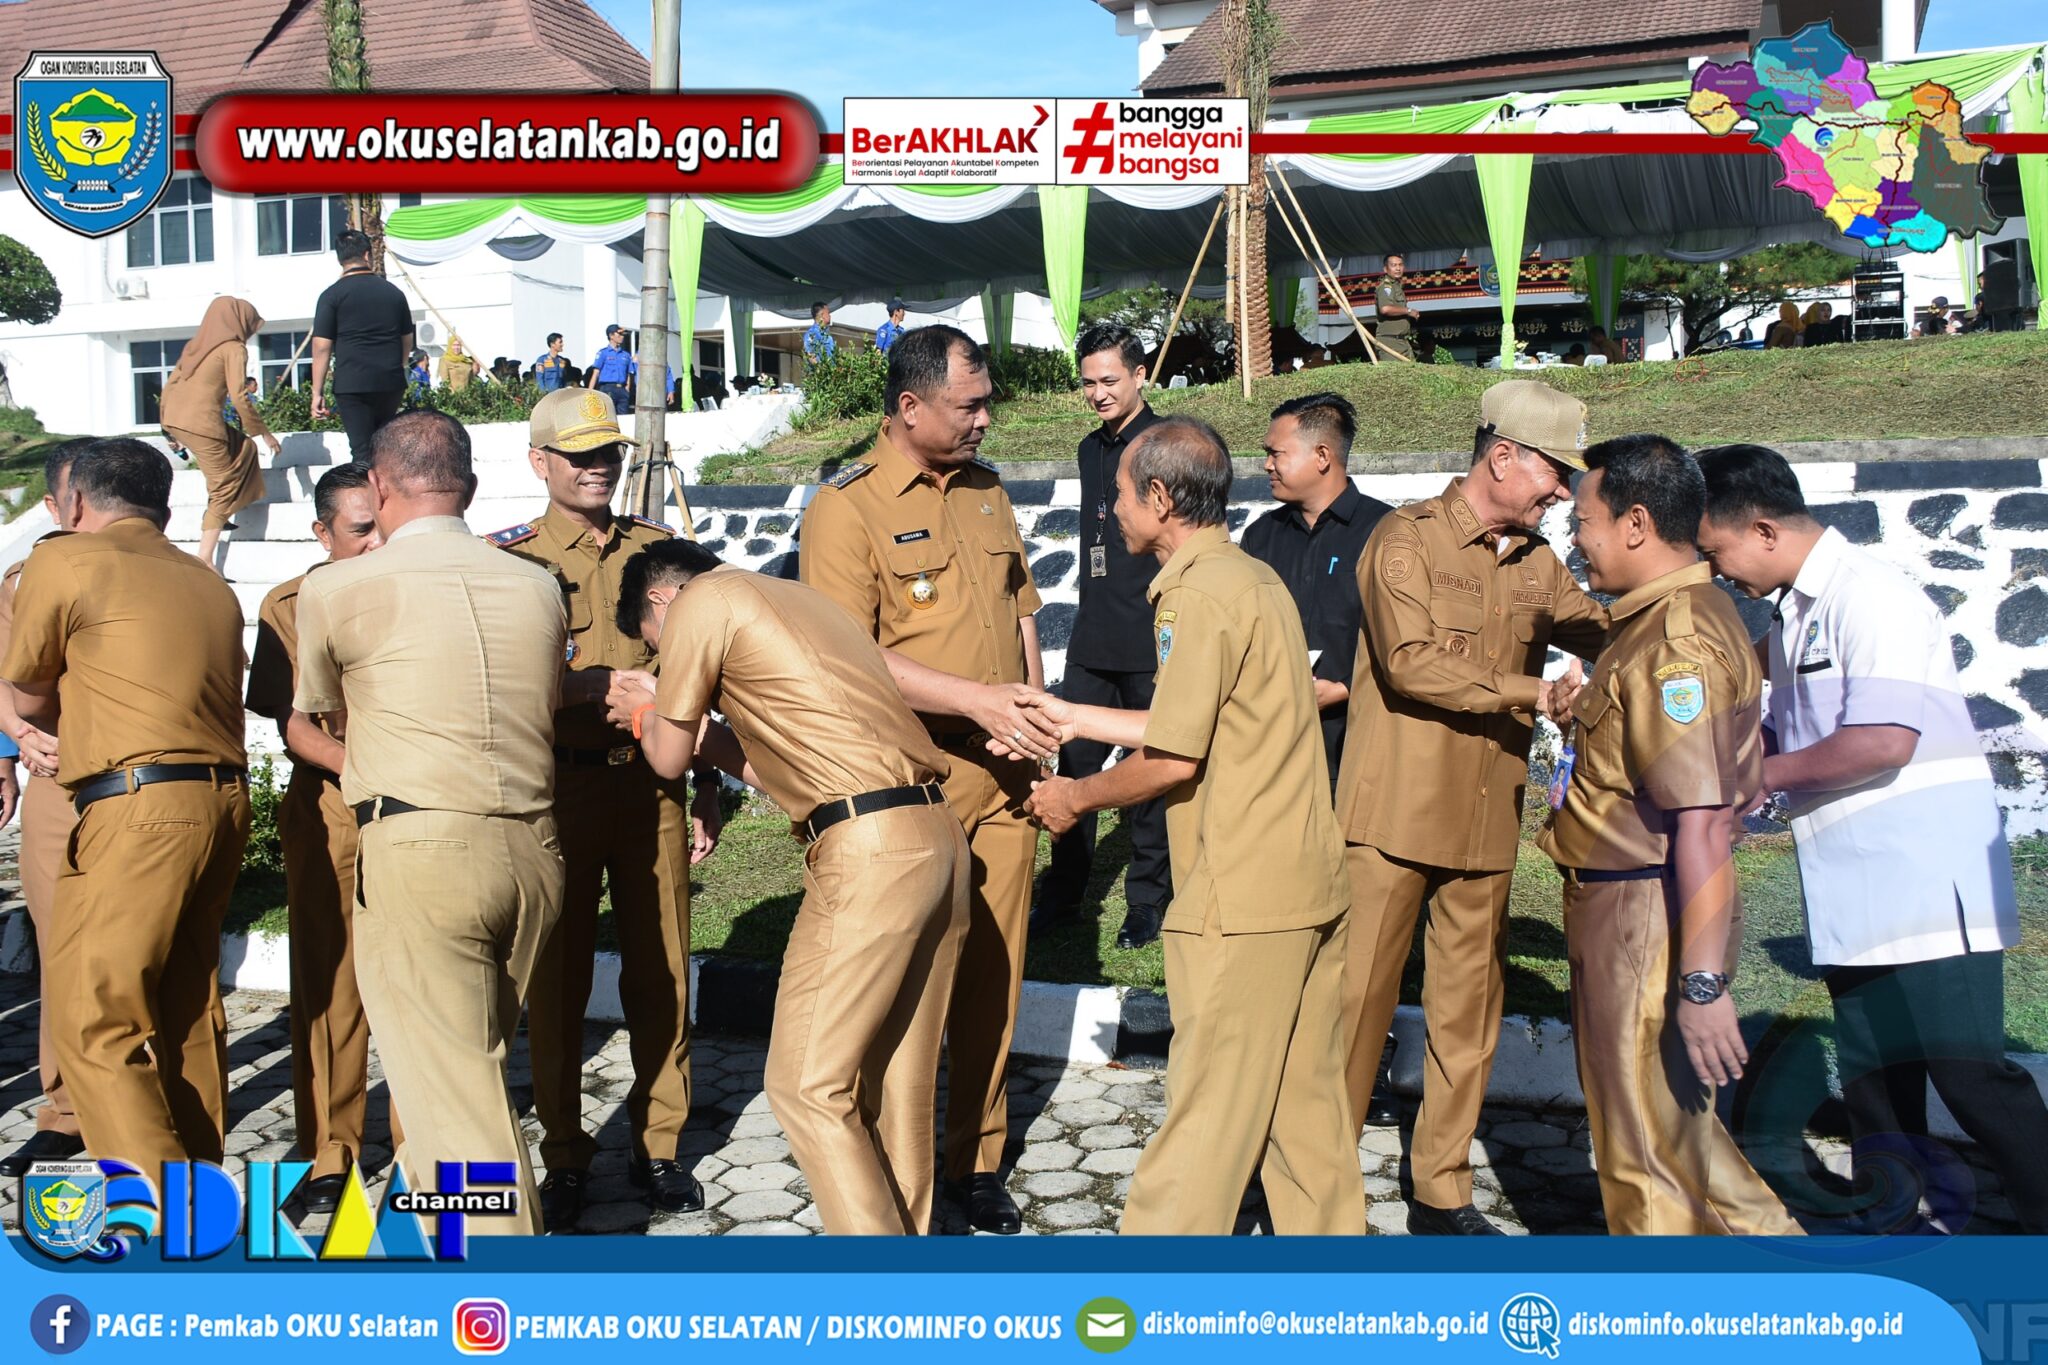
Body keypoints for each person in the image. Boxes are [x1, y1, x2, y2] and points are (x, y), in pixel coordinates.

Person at [1021, 417, 1365, 1236]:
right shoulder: (1251, 577)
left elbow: (1174, 758)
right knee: (1306, 1120)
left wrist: (1074, 799)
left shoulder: (1193, 594)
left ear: (1160, 497)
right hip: (1307, 884)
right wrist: (1073, 715)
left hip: (1241, 897)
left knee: (1208, 1116)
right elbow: (1203, 720)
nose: (1111, 510)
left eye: (1119, 495)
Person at [1695, 443, 2048, 1236]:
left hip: (1926, 883)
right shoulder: (1795, 609)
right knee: (1874, 1079)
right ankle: (1891, 1230)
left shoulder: (1871, 596)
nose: (1718, 573)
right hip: (1856, 885)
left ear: (1762, 529)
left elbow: (1883, 740)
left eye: (1716, 553)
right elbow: (1761, 699)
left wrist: (1758, 777)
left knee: (1971, 1080)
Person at [608, 541, 968, 1234]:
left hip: (868, 849)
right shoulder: (799, 599)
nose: (667, 657)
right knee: (899, 1083)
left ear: (660, 601)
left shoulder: (699, 602)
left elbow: (668, 757)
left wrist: (643, 708)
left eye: (657, 644)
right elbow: (780, 775)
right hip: (934, 832)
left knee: (805, 1085)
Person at [799, 324, 1060, 1235]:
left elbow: (1021, 611)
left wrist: (1033, 717)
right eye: (969, 405)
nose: (986, 419)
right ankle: (889, 1161)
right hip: (913, 782)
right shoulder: (846, 508)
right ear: (909, 407)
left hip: (1005, 773)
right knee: (909, 992)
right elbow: (846, 655)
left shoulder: (987, 491)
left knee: (995, 976)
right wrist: (977, 700)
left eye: (987, 403)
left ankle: (976, 1158)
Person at [1334, 380, 1609, 1235]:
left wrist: (1674, 611)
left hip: (1486, 822)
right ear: (1504, 457)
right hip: (1391, 819)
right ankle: (1313, 1178)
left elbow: (1601, 628)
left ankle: (1441, 1190)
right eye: (1555, 470)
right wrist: (1537, 692)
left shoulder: (1539, 562)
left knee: (1468, 1019)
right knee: (1353, 1008)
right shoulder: (1405, 540)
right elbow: (1412, 662)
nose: (1562, 490)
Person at [293, 411, 566, 1235]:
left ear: (378, 486)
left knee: (455, 1100)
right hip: (533, 845)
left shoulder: (335, 587)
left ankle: (505, 1286)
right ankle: (429, 1247)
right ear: (470, 487)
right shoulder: (536, 583)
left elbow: (318, 706)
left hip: (421, 849)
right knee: (458, 1077)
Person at [1537, 435, 1801, 1236]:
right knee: (1687, 1147)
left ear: (1636, 523)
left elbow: (1703, 822)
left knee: (1644, 1158)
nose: (1575, 538)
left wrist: (1701, 986)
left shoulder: (1673, 641)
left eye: (1583, 521)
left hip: (1642, 912)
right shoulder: (1663, 619)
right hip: (1636, 901)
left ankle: (1663, 1299)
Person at [487, 388, 719, 1230]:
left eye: (608, 453)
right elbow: (494, 686)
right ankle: (564, 1151)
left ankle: (659, 1146)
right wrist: (581, 686)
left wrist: (710, 784)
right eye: (579, 454)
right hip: (557, 791)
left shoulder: (660, 552)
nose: (597, 468)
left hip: (652, 788)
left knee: (662, 971)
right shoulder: (507, 563)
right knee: (557, 982)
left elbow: (707, 671)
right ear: (538, 461)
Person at [2, 438, 250, 1174]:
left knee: (93, 1019)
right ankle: (200, 1177)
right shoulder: (206, 580)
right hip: (220, 800)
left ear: (75, 501)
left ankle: (172, 1210)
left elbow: (28, 694)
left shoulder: (65, 560)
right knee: (186, 1007)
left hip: (137, 805)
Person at [1241, 392, 1396, 1122]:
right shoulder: (1260, 538)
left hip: (1352, 751)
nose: (1267, 464)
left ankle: (1354, 1066)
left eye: (1277, 452)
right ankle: (1277, 1057)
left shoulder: (1385, 534)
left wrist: (1337, 685)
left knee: (1352, 918)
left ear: (1323, 455)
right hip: (1271, 754)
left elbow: (1396, 648)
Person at [245, 464, 394, 1214]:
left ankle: (424, 1149)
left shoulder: (416, 585)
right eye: (359, 530)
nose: (376, 543)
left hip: (420, 806)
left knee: (418, 979)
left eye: (383, 526)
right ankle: (330, 1150)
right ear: (322, 533)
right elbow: (291, 723)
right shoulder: (288, 604)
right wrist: (365, 769)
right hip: (331, 803)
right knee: (329, 981)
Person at [1033, 323, 1172, 948]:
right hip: (1092, 637)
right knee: (1075, 765)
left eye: (1110, 380)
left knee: (1149, 774)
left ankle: (1147, 900)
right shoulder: (1089, 449)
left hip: (1148, 635)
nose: (1098, 393)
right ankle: (1063, 894)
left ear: (1140, 375)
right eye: (1088, 382)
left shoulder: (1168, 445)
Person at [0, 439, 89, 1179]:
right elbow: (6, 675)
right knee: (59, 945)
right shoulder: (23, 580)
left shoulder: (170, 576)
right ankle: (65, 1109)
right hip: (60, 777)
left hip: (152, 781)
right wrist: (12, 748)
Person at [159, 297, 282, 575]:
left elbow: (169, 387)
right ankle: (204, 557)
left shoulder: (196, 346)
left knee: (244, 448)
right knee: (223, 486)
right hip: (202, 424)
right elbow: (239, 396)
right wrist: (264, 433)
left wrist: (167, 427)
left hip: (177, 419)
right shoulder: (233, 348)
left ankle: (222, 512)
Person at [309, 230, 414, 462]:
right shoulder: (393, 293)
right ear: (367, 255)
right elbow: (406, 338)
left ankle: (366, 485)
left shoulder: (331, 296)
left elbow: (322, 347)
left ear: (340, 259)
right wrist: (399, 366)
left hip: (352, 383)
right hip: (389, 381)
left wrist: (317, 392)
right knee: (385, 448)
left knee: (362, 451)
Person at [1373, 252, 1418, 359]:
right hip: (1390, 342)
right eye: (1394, 265)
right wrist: (1408, 311)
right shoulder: (1386, 287)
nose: (1398, 268)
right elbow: (1385, 309)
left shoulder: (1397, 287)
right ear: (1385, 269)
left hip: (1402, 342)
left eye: (1400, 265)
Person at [585, 324, 636, 415]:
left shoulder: (626, 355)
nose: (622, 336)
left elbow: (629, 373)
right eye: (619, 334)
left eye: (623, 334)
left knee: (623, 416)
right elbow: (596, 373)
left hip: (622, 389)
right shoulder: (603, 353)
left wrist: (627, 389)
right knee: (608, 415)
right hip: (608, 388)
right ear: (611, 336)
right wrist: (590, 392)